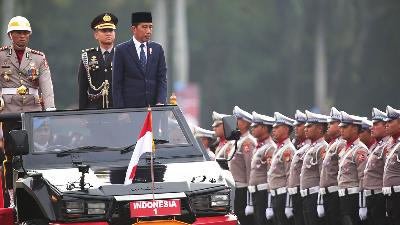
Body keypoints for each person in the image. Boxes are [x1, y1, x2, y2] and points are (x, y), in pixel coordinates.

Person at [0, 16, 55, 208]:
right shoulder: (1, 56)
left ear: (29, 35)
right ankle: (11, 196)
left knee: (35, 154)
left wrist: (49, 109)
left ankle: (36, 194)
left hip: (33, 111)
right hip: (8, 111)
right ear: (10, 35)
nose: (22, 36)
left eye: (25, 33)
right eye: (18, 33)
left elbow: (46, 85)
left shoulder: (38, 58)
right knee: (10, 155)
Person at [112, 11, 167, 108]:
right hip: (131, 111)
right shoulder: (121, 50)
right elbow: (117, 84)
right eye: (144, 27)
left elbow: (162, 79)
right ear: (134, 29)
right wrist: (121, 111)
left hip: (154, 110)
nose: (149, 31)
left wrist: (160, 102)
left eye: (150, 27)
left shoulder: (157, 49)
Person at [78, 13, 118, 109]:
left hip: (117, 110)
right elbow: (82, 88)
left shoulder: (122, 55)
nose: (108, 33)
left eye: (111, 30)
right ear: (96, 35)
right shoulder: (87, 56)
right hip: (94, 110)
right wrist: (83, 113)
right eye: (104, 30)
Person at [337, 111, 368, 225]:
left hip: (353, 197)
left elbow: (363, 178)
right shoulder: (346, 148)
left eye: (345, 127)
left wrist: (362, 204)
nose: (341, 130)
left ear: (355, 129)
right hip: (344, 196)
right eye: (341, 127)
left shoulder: (360, 149)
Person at [363, 108, 392, 225]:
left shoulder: (388, 147)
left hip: (381, 196)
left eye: (375, 124)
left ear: (385, 126)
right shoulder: (376, 147)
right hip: (371, 196)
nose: (371, 127)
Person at [299, 110, 329, 225]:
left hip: (314, 196)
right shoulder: (311, 147)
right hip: (306, 196)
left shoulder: (322, 148)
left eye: (309, 126)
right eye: (305, 126)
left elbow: (323, 176)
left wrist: (320, 202)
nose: (305, 129)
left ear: (320, 129)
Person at [268, 112, 296, 225]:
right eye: (273, 127)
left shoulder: (288, 149)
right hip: (276, 195)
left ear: (286, 129)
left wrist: (288, 204)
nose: (273, 130)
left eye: (277, 127)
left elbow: (290, 177)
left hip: (283, 196)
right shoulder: (279, 148)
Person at [248, 111, 276, 225]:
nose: (252, 129)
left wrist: (269, 199)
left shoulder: (270, 147)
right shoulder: (259, 146)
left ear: (264, 128)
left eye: (255, 126)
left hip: (263, 192)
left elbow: (271, 173)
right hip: (256, 191)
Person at [318, 107, 345, 225]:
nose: (328, 125)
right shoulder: (333, 144)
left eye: (332, 123)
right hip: (327, 193)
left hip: (335, 192)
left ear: (340, 125)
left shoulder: (341, 144)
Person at [230, 106, 256, 225]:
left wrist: (250, 193)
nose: (235, 122)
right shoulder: (239, 140)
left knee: (243, 218)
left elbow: (250, 168)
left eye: (238, 120)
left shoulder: (247, 142)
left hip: (243, 188)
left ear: (245, 123)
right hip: (236, 187)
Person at [287, 110, 310, 225]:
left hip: (304, 191)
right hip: (294, 191)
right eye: (295, 125)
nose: (296, 128)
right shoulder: (296, 144)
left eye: (299, 125)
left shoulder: (309, 146)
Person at [382, 106, 400, 224]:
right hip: (389, 195)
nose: (386, 125)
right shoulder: (390, 145)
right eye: (386, 122)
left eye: (390, 122)